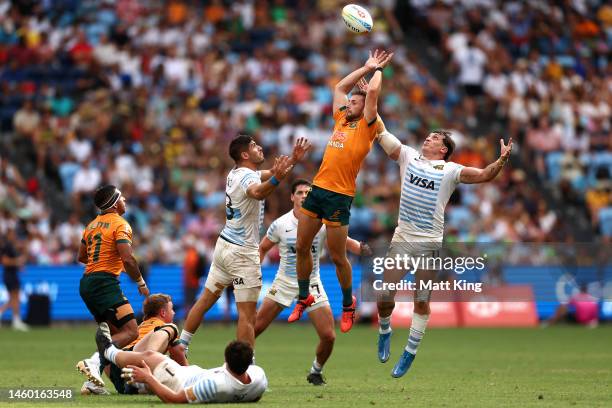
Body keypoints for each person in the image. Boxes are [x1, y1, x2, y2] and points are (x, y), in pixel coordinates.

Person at [375, 126, 513, 377]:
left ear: (443, 150)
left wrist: (501, 160)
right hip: (403, 239)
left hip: (429, 244)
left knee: (422, 299)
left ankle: (410, 352)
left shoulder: (451, 170)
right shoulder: (407, 155)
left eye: (436, 138)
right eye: (429, 135)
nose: (428, 137)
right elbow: (380, 130)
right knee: (384, 296)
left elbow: (484, 174)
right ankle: (385, 330)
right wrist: (367, 99)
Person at [289, 49, 393, 333]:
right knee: (301, 247)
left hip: (339, 196)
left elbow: (371, 94)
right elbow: (340, 87)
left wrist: (376, 69)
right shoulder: (341, 118)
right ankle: (303, 296)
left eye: (354, 102)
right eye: (349, 102)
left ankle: (348, 304)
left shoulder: (367, 126)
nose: (349, 103)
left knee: (337, 257)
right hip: (318, 190)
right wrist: (364, 67)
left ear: (364, 107)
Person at [178, 135, 310, 351]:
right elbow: (258, 192)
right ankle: (245, 367)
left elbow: (269, 176)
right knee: (248, 316)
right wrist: (277, 178)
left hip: (224, 246)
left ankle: (182, 345)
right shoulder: (248, 178)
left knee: (204, 301)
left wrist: (293, 160)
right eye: (254, 146)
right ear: (245, 154)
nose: (260, 147)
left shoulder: (237, 173)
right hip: (243, 251)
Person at [256, 179, 371, 385]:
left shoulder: (323, 223)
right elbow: (263, 248)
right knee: (254, 328)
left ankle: (316, 371)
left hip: (312, 283)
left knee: (329, 336)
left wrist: (366, 249)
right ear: (292, 197)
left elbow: (346, 242)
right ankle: (245, 364)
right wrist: (254, 269)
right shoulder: (280, 224)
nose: (304, 196)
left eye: (308, 193)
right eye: (299, 192)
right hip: (284, 281)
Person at [76, 185, 150, 386]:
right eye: (121, 197)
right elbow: (128, 259)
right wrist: (140, 282)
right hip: (104, 283)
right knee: (132, 331)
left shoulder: (91, 225)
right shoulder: (121, 224)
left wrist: (106, 260)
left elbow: (82, 256)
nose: (124, 199)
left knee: (113, 333)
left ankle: (92, 383)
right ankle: (93, 361)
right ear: (115, 203)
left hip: (88, 283)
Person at [96, 323, 267, 404]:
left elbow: (174, 399)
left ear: (226, 361)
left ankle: (108, 351)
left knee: (150, 355)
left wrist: (149, 378)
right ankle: (136, 387)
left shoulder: (215, 385)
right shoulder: (258, 379)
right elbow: (255, 395)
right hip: (193, 373)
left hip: (177, 380)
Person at [79, 293, 186, 395]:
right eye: (171, 309)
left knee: (163, 370)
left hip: (115, 369)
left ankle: (94, 381)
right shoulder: (164, 327)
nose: (174, 312)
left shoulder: (140, 327)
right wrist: (188, 376)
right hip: (133, 359)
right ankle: (149, 359)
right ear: (163, 312)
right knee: (171, 330)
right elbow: (179, 354)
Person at [0, 229, 29, 331]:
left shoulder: (12, 246)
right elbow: (4, 261)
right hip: (9, 275)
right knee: (14, 297)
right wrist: (17, 262)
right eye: (12, 234)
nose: (14, 236)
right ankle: (14, 319)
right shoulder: (7, 246)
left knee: (15, 297)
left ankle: (16, 320)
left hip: (12, 274)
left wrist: (19, 266)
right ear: (8, 235)